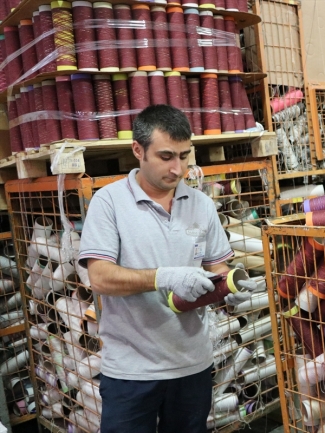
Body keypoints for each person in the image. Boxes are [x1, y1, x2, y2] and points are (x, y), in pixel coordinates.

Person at [78, 104, 252, 433]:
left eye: (185, 156)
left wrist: (229, 288)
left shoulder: (201, 205)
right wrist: (164, 277)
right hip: (131, 372)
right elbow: (99, 278)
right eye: (166, 156)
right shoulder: (109, 202)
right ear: (138, 150)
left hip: (192, 366)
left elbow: (218, 266)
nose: (178, 168)